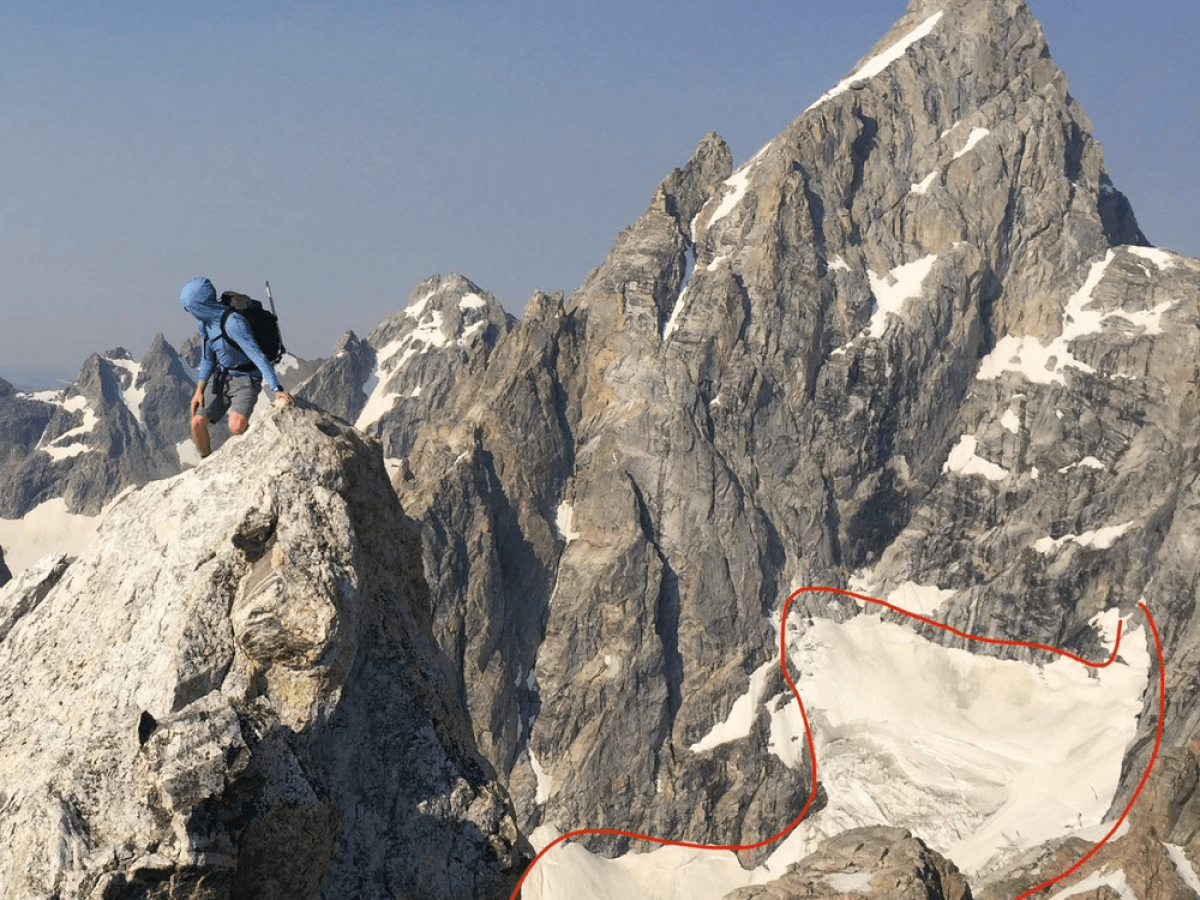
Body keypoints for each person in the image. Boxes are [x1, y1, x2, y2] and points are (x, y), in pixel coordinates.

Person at [180, 277, 293, 457]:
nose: (189, 312)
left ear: (200, 306)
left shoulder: (234, 323)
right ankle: (207, 462)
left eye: (189, 307)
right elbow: (208, 359)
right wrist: (199, 390)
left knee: (236, 426)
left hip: (246, 378)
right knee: (197, 423)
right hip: (221, 376)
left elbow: (258, 355)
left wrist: (276, 388)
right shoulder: (205, 325)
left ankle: (259, 454)